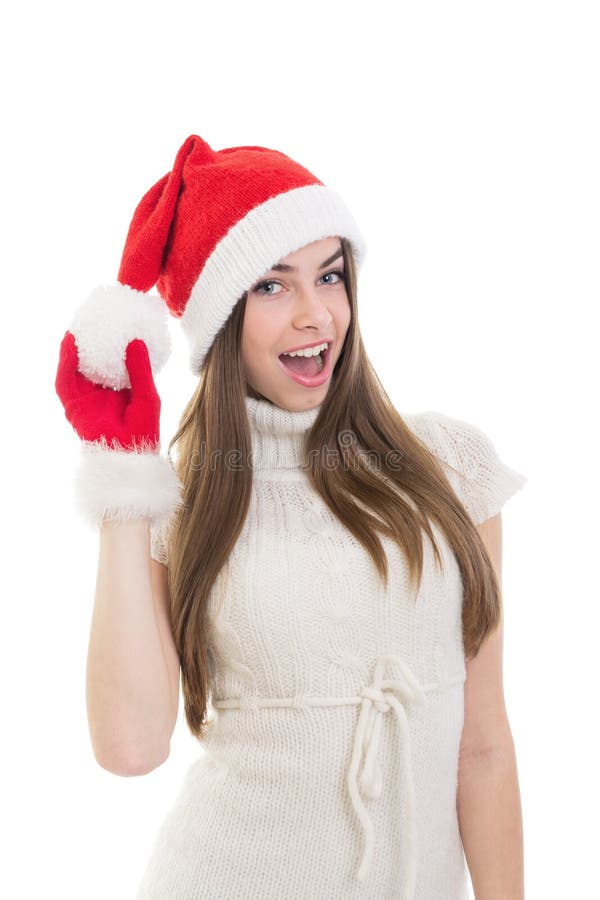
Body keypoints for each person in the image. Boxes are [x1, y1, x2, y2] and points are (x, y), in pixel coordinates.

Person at [55, 134, 527, 899]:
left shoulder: (447, 471)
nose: (316, 315)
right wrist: (124, 470)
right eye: (272, 288)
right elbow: (131, 746)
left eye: (330, 276)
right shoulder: (188, 504)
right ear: (221, 321)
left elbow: (483, 749)